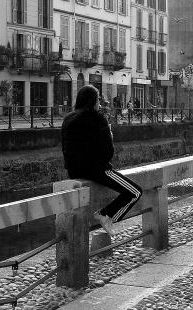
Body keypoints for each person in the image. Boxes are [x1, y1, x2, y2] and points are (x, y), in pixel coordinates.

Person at [61, 85, 142, 236]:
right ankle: (106, 215)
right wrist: (110, 136)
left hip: (73, 171)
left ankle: (105, 216)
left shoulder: (68, 119)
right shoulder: (98, 119)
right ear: (93, 101)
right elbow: (108, 153)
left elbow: (65, 148)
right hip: (96, 171)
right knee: (135, 192)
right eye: (98, 99)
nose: (99, 102)